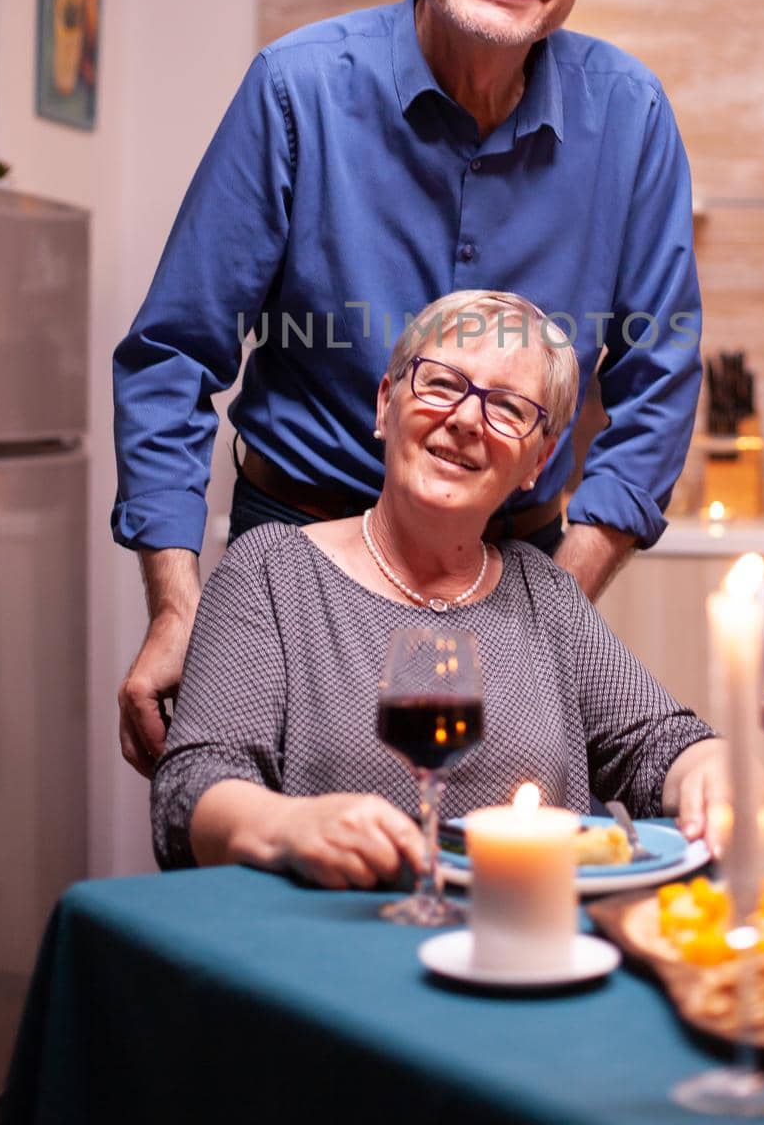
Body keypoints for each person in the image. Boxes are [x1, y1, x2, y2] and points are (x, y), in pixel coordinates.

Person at [115, 0, 702, 777]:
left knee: (498, 865)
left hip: (511, 558)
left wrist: (548, 603)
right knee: (274, 855)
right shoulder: (296, 89)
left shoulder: (630, 116)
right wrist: (175, 608)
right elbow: (173, 358)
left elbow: (658, 385)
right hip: (293, 552)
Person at [152, 293, 724, 882]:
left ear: (539, 460)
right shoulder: (271, 572)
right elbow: (188, 790)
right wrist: (285, 827)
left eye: (507, 407)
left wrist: (708, 767)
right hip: (330, 946)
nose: (468, 419)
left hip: (526, 946)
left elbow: (657, 745)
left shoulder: (545, 592)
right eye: (443, 384)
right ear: (385, 404)